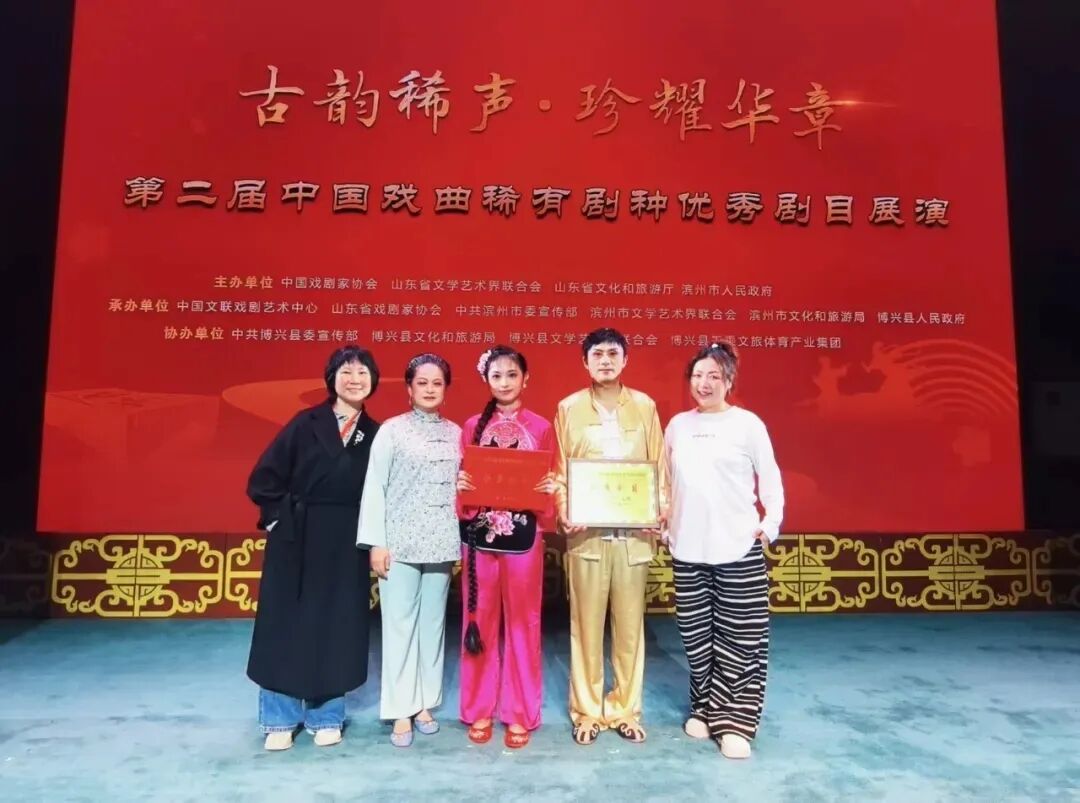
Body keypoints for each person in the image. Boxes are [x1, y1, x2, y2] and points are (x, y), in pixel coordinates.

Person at [246, 345, 382, 751]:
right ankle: (279, 718)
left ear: (373, 381)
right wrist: (279, 520)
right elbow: (264, 478)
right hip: (297, 536)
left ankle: (326, 715)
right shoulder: (304, 424)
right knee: (284, 624)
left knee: (336, 624)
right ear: (331, 379)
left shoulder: (376, 434)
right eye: (346, 372)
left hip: (346, 541)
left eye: (362, 373)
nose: (355, 380)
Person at [664, 341, 784, 760]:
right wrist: (662, 520)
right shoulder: (678, 426)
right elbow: (666, 482)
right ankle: (704, 708)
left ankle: (735, 722)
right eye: (698, 375)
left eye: (714, 376)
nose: (704, 383)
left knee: (741, 637)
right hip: (687, 547)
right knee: (696, 635)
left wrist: (769, 525)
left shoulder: (748, 425)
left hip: (737, 546)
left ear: (729, 381)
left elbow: (771, 480)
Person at [553, 327, 669, 745]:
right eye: (597, 354)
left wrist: (659, 510)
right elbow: (560, 474)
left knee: (630, 630)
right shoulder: (568, 409)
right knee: (585, 628)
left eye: (613, 353)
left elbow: (659, 469)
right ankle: (587, 710)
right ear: (584, 362)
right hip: (587, 539)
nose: (605, 360)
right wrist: (564, 511)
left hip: (634, 538)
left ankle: (625, 708)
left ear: (625, 360)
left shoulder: (645, 407)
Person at [356, 353, 461, 748]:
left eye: (437, 383)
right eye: (422, 383)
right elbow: (375, 486)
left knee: (432, 626)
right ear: (409, 388)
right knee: (399, 626)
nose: (430, 389)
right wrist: (376, 543)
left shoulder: (456, 433)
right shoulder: (392, 431)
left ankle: (425, 704)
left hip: (441, 543)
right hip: (398, 544)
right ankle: (401, 708)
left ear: (445, 389)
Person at [454, 346, 556, 749]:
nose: (505, 382)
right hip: (480, 539)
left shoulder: (541, 427)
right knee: (478, 620)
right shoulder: (470, 427)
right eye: (496, 375)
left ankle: (520, 712)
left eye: (512, 375)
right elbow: (463, 483)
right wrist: (462, 487)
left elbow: (551, 482)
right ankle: (479, 708)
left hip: (524, 539)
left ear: (525, 380)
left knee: (523, 624)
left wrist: (549, 488)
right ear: (487, 380)